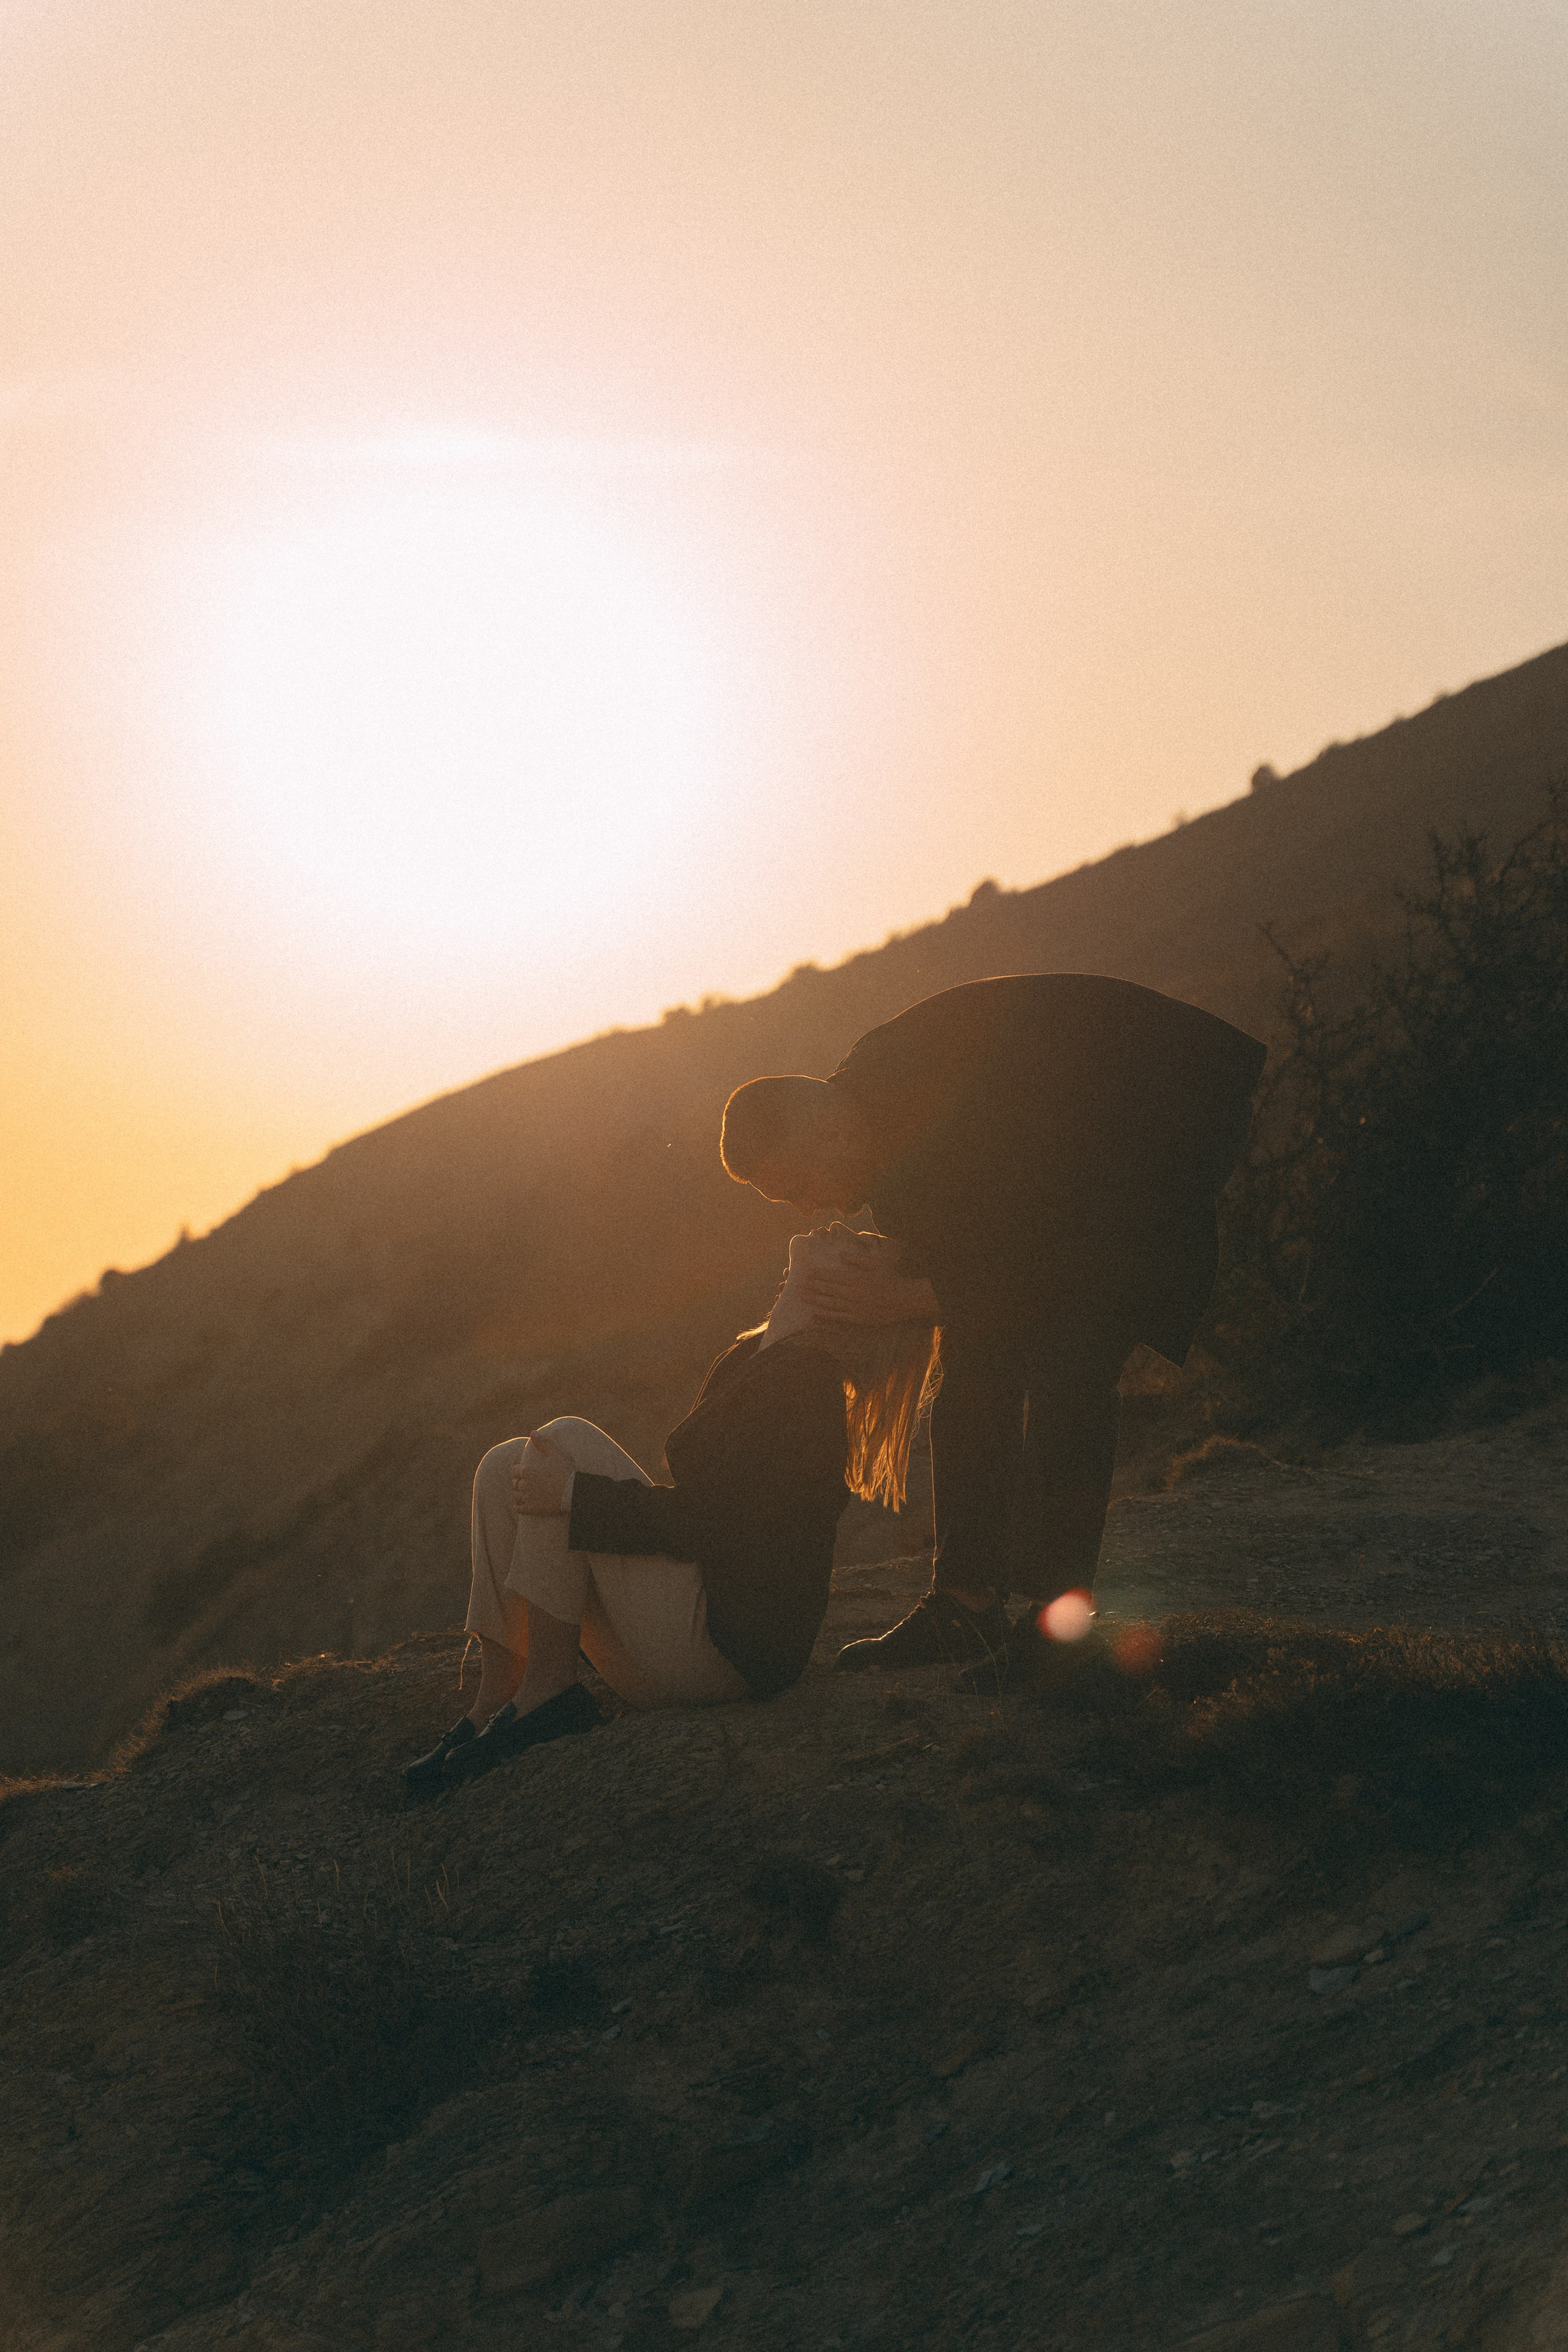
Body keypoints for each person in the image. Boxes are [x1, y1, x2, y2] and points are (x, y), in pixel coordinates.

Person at [718, 973, 1267, 1676]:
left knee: (1073, 1357)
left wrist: (913, 1301)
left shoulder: (940, 1113)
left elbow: (1047, 1248)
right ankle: (966, 1607)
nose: (805, 1211)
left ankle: (1059, 1626)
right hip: (1066, 1148)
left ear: (828, 1130)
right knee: (975, 1364)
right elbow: (986, 1266)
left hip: (1163, 1100)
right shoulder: (877, 1135)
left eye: (797, 1188)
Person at [402, 1226, 940, 1795]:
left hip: (722, 1651)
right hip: (687, 1629)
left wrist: (574, 1495)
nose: (842, 1226)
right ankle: (497, 1700)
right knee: (504, 1466)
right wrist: (571, 1494)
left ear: (855, 1295)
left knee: (565, 1444)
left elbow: (725, 1523)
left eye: (863, 1245)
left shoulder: (809, 1390)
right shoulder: (757, 1356)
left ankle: (548, 1695)